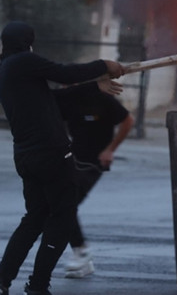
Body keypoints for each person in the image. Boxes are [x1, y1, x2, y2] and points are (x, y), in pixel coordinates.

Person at [0, 21, 124, 295]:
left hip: (26, 157)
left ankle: (1, 283)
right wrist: (104, 65)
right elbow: (65, 73)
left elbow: (56, 97)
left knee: (34, 218)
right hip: (52, 154)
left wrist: (96, 85)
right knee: (62, 217)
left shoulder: (4, 73)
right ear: (27, 42)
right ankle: (38, 285)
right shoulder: (25, 61)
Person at [52, 80, 134, 278]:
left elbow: (128, 121)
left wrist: (110, 150)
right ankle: (81, 252)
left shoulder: (102, 99)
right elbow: (52, 119)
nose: (65, 88)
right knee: (62, 205)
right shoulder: (67, 101)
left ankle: (81, 251)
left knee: (66, 204)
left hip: (95, 162)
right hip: (73, 159)